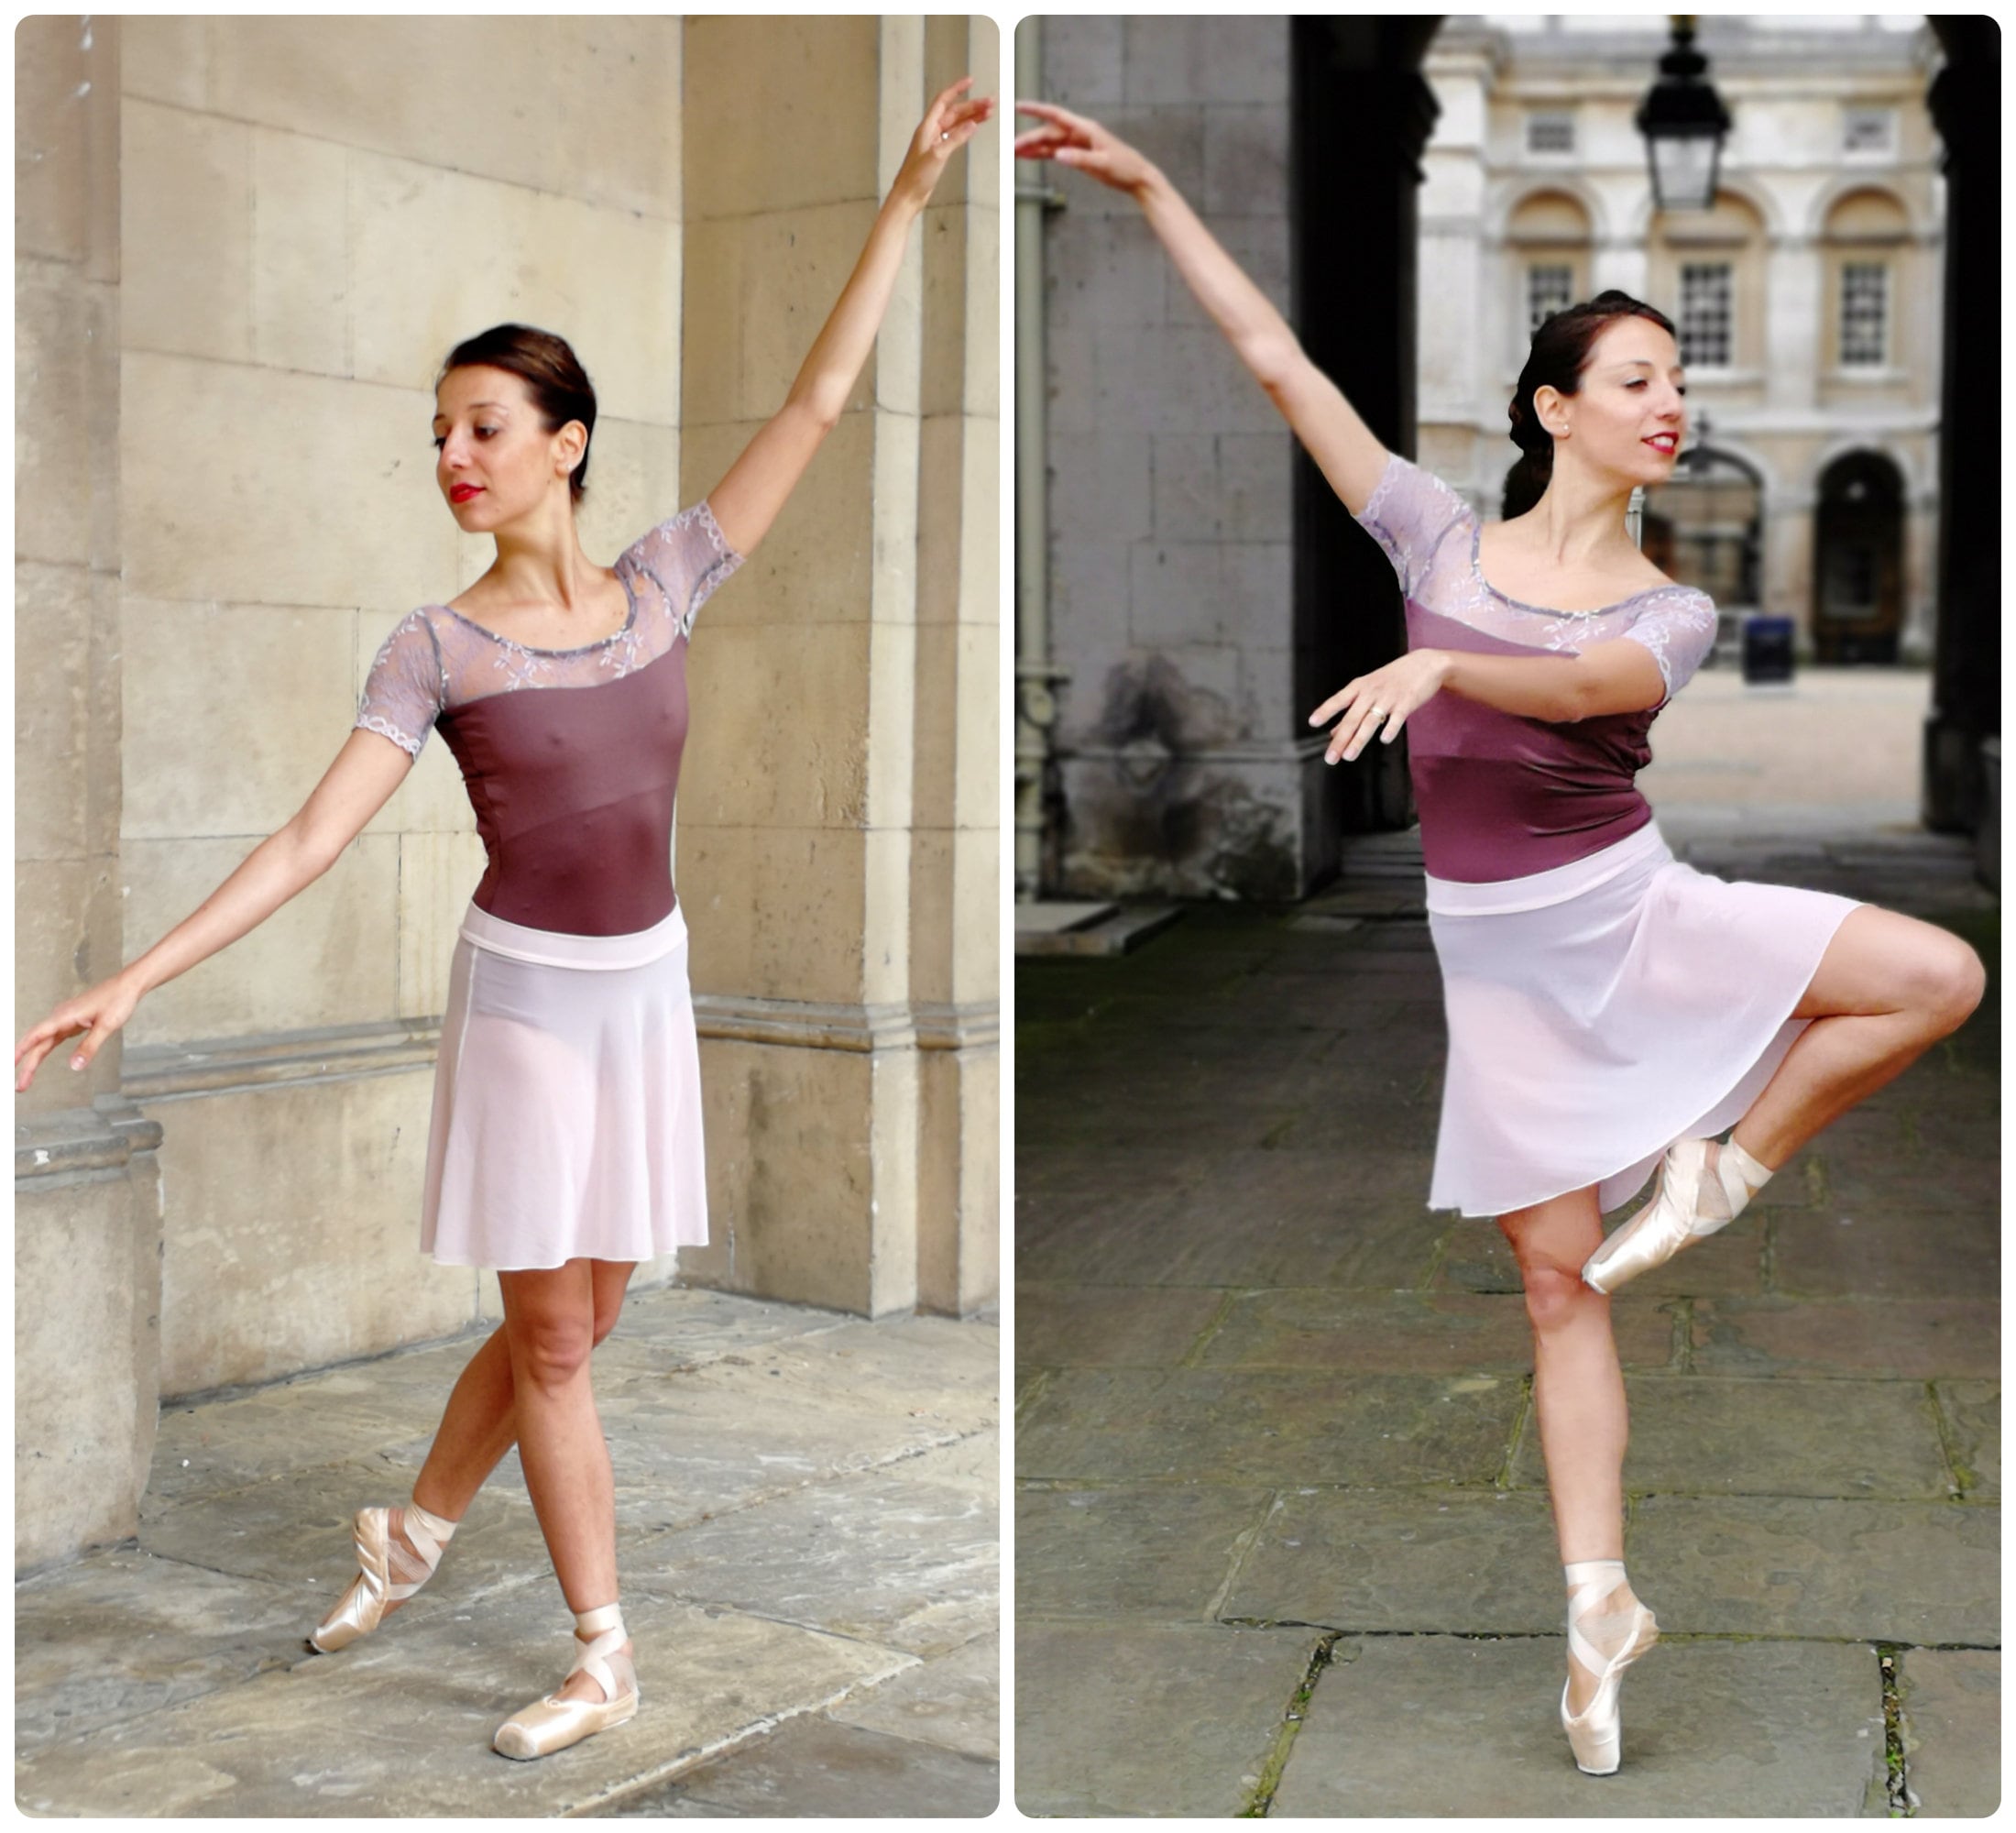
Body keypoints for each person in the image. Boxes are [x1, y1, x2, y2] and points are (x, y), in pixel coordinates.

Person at [16, 77, 992, 1763]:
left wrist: (903, 195)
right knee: (556, 1333)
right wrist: (133, 978)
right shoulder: (431, 647)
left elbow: (823, 403)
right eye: (440, 433)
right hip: (532, 1000)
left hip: (648, 989)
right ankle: (605, 1655)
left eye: (482, 425)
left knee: (588, 1315)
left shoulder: (670, 574)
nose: (452, 456)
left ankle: (408, 1534)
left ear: (567, 439)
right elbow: (318, 833)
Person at [1015, 101, 1984, 1779]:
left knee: (1938, 976)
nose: (1670, 403)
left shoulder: (1669, 609)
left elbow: (1585, 689)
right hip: (1506, 968)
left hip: (1637, 912)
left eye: (1680, 383)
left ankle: (1723, 1173)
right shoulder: (1436, 537)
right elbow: (1278, 365)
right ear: (1554, 407)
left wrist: (1451, 668)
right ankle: (1596, 1607)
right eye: (1637, 380)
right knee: (1553, 1293)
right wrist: (1159, 182)